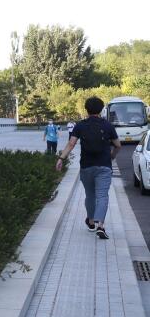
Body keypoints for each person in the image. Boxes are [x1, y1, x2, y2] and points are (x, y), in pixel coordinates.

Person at [56, 96, 121, 240]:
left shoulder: (80, 125)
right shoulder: (108, 126)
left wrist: (61, 158)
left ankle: (91, 222)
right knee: (102, 196)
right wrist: (112, 156)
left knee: (90, 195)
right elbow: (118, 145)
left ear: (87, 109)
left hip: (86, 167)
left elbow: (71, 144)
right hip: (104, 166)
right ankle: (101, 226)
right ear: (101, 109)